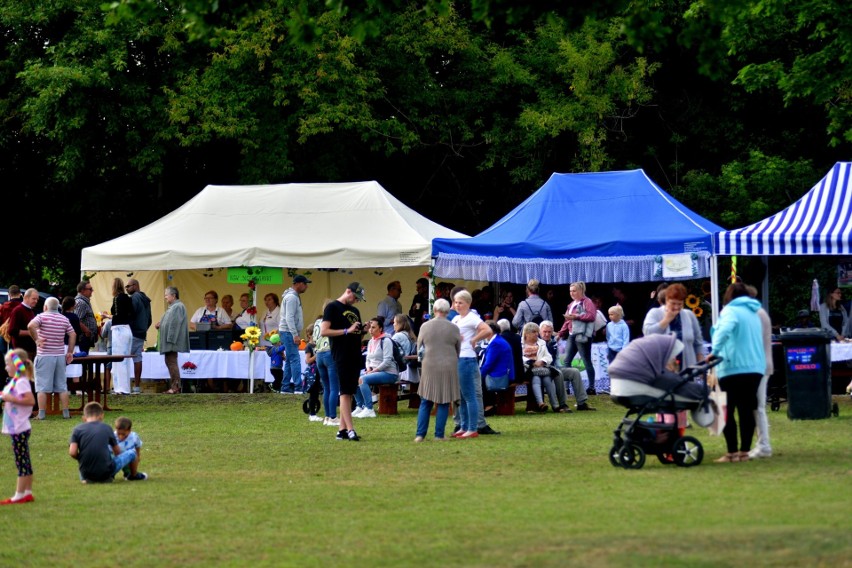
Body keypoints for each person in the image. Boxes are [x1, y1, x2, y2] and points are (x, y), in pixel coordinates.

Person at [709, 282, 766, 463]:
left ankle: (732, 452)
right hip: (755, 367)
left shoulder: (730, 311)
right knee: (747, 410)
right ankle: (745, 452)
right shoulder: (754, 312)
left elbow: (724, 330)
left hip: (732, 366)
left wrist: (714, 351)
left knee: (726, 410)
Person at [321, 282, 366, 441]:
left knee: (350, 392)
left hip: (354, 354)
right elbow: (324, 331)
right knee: (345, 392)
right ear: (348, 291)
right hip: (341, 355)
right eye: (355, 297)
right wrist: (347, 330)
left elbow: (357, 335)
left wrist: (363, 330)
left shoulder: (355, 310)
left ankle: (341, 430)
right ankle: (350, 429)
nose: (356, 301)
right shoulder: (332, 307)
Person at [414, 298, 460, 441]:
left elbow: (419, 347)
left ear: (434, 310)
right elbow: (458, 349)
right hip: (448, 365)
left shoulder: (424, 326)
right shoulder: (454, 327)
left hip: (429, 365)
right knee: (444, 401)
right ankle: (439, 435)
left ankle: (420, 435)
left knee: (426, 400)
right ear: (447, 311)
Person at [28, 297, 76, 420]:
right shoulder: (64, 318)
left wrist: (37, 340)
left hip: (44, 356)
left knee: (42, 387)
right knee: (62, 386)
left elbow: (30, 326)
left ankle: (42, 414)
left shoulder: (41, 317)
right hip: (60, 356)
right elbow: (73, 334)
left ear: (45, 307)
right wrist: (70, 352)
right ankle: (65, 413)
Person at [451, 290, 491, 438]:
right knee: (460, 395)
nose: (457, 305)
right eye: (455, 302)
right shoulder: (455, 319)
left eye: (460, 302)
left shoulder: (472, 318)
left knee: (469, 395)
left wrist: (474, 340)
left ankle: (472, 428)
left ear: (468, 303)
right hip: (457, 357)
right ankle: (464, 426)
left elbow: (487, 329)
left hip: (466, 357)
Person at [69, 401, 138, 483]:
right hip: (106, 472)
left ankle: (87, 479)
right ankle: (133, 476)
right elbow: (117, 452)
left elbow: (72, 452)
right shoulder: (106, 428)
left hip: (85, 473)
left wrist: (82, 458)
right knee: (132, 453)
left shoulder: (77, 429)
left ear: (84, 418)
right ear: (102, 416)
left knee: (86, 465)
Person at [642, 282, 705, 372]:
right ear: (667, 300)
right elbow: (647, 333)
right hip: (663, 371)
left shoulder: (689, 315)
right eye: (673, 303)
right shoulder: (655, 313)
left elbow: (698, 342)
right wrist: (666, 320)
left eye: (679, 304)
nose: (676, 307)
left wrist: (700, 361)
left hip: (688, 369)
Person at [1, 349, 36, 504]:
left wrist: (10, 398)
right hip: (17, 427)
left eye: (8, 364)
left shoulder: (21, 382)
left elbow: (30, 401)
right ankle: (27, 492)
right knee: (25, 460)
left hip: (19, 428)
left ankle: (18, 495)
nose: (5, 368)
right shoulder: (16, 381)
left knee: (21, 461)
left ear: (16, 365)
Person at [540, 321, 594, 411]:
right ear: (540, 331)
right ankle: (563, 404)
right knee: (558, 373)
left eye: (549, 332)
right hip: (544, 370)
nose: (547, 334)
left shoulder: (553, 342)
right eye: (544, 332)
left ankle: (581, 403)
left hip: (554, 367)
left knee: (575, 372)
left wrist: (559, 367)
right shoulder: (538, 342)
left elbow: (557, 359)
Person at [747, 286, 774, 460]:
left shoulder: (755, 315)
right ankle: (762, 443)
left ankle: (764, 444)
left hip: (759, 365)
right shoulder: (760, 312)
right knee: (757, 407)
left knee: (758, 407)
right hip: (762, 364)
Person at [353, 316, 399, 419]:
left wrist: (374, 371)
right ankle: (360, 406)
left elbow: (387, 361)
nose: (370, 330)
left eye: (373, 327)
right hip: (374, 371)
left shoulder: (386, 340)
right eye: (370, 327)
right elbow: (368, 359)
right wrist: (368, 368)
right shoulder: (370, 341)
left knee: (362, 379)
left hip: (389, 373)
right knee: (352, 377)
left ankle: (369, 409)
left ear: (381, 328)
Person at [557, 281, 598, 395]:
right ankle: (566, 388)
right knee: (566, 361)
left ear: (581, 291)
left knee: (586, 361)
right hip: (571, 334)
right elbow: (567, 321)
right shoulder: (571, 304)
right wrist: (560, 334)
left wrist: (577, 316)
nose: (572, 293)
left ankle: (591, 387)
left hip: (582, 334)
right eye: (570, 291)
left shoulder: (587, 302)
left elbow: (592, 316)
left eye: (574, 291)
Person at [278, 275, 311, 394]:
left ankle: (285, 387)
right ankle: (298, 387)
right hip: (288, 332)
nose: (306, 286)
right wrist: (295, 334)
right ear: (298, 284)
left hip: (286, 331)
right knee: (295, 359)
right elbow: (289, 317)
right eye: (305, 284)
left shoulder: (291, 296)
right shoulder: (292, 297)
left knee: (290, 359)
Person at [156, 286, 189, 394]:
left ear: (173, 295)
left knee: (171, 361)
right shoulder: (173, 307)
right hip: (170, 340)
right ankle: (174, 386)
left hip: (171, 341)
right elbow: (170, 322)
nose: (165, 297)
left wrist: (170, 339)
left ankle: (175, 387)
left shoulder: (178, 306)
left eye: (166, 295)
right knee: (169, 361)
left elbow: (175, 324)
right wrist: (161, 324)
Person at [521, 322, 558, 413]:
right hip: (527, 369)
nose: (537, 334)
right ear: (526, 333)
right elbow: (518, 357)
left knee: (545, 378)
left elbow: (549, 357)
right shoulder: (520, 343)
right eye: (534, 332)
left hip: (540, 368)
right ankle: (549, 404)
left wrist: (542, 361)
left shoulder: (541, 342)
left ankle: (548, 404)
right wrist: (531, 362)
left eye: (537, 331)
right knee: (540, 376)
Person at [313, 302, 339, 427]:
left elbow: (313, 340)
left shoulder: (317, 322)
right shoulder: (333, 322)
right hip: (330, 353)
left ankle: (327, 417)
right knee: (334, 387)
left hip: (319, 355)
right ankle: (333, 417)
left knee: (326, 388)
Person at [479, 321, 513, 414]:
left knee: (478, 379)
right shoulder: (498, 340)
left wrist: (478, 374)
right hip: (500, 372)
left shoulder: (495, 343)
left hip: (500, 375)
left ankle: (489, 406)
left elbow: (488, 364)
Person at [109, 277, 135, 395]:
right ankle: (124, 387)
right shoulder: (128, 298)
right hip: (127, 330)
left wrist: (108, 316)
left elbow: (118, 315)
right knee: (125, 361)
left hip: (119, 330)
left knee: (119, 360)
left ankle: (121, 388)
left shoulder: (117, 299)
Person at [126, 279, 152, 395]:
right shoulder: (145, 299)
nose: (126, 289)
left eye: (128, 286)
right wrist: (144, 329)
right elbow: (150, 319)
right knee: (137, 358)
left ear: (135, 286)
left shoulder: (135, 298)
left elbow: (130, 314)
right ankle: (136, 386)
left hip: (133, 332)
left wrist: (128, 327)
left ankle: (124, 386)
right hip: (142, 333)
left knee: (125, 357)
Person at [8, 288, 39, 361]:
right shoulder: (18, 310)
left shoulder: (30, 310)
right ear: (25, 297)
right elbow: (12, 331)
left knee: (29, 372)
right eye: (34, 299)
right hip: (21, 352)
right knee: (21, 372)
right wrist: (30, 332)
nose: (36, 301)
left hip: (30, 350)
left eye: (37, 299)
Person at [114, 416, 148, 480]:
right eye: (118, 434)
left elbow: (137, 447)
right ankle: (111, 475)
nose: (120, 437)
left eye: (123, 434)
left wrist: (138, 456)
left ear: (129, 430)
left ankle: (130, 475)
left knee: (131, 459)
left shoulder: (134, 437)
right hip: (115, 458)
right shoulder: (112, 436)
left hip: (128, 458)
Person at [61, 296, 83, 386]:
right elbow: (77, 331)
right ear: (72, 306)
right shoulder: (74, 317)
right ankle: (77, 387)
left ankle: (63, 386)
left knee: (63, 366)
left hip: (62, 344)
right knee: (75, 366)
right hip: (73, 345)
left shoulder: (61, 316)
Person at [392, 313, 418, 382]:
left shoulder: (397, 336)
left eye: (394, 322)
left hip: (402, 371)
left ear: (399, 324)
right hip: (412, 371)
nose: (393, 324)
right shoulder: (411, 335)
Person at [73, 281, 98, 353]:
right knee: (84, 360)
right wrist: (87, 331)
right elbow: (77, 320)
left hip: (85, 337)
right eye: (90, 289)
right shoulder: (81, 303)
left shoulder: (84, 302)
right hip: (83, 338)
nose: (92, 291)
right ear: (82, 290)